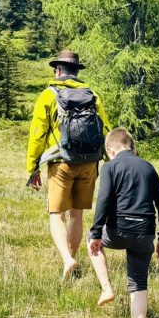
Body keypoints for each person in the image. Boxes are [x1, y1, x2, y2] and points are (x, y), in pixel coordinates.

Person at [27, 50, 111, 281]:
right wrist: (111, 161)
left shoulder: (48, 95)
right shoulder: (92, 94)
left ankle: (68, 259)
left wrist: (32, 167)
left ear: (58, 71)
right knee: (77, 214)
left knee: (56, 215)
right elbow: (105, 129)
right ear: (76, 72)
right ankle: (72, 257)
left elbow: (37, 134)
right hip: (89, 163)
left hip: (60, 162)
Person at [87, 127, 159, 318]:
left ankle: (106, 288)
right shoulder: (148, 167)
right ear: (132, 148)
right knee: (138, 284)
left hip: (117, 231)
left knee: (89, 239)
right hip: (145, 233)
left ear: (110, 151)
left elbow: (103, 200)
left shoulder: (110, 167)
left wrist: (96, 233)